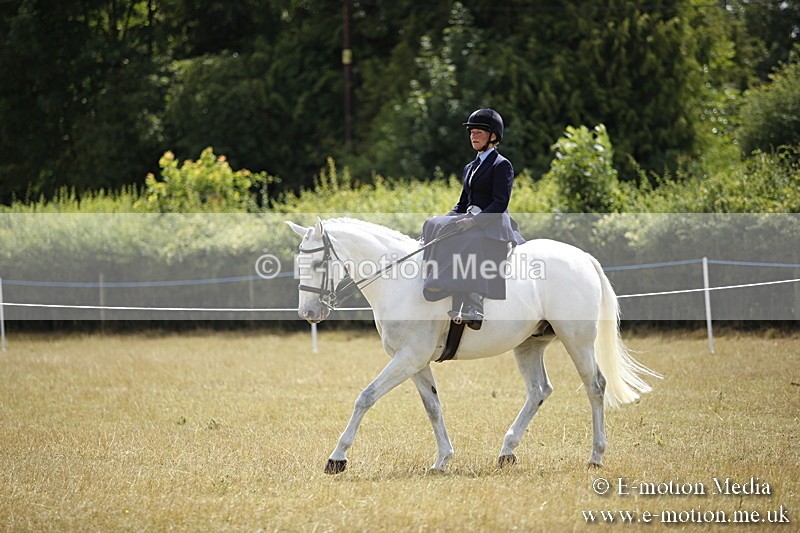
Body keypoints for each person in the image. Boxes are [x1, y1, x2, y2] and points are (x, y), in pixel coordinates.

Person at [422, 108, 525, 330]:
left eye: (479, 132)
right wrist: (444, 220)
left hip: (493, 222)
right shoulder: (470, 167)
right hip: (470, 216)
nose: (473, 136)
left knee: (469, 238)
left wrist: (474, 222)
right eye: (472, 132)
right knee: (432, 224)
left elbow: (500, 203)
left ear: (493, 136)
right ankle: (435, 281)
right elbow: (461, 203)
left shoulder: (501, 165)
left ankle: (474, 303)